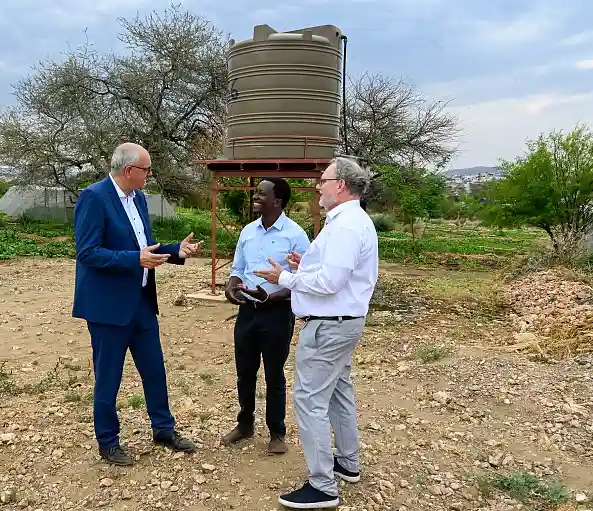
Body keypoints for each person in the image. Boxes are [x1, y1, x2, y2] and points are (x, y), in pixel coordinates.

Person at [253, 157, 378, 509]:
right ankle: (347, 464)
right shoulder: (351, 222)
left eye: (323, 180)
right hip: (343, 323)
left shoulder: (344, 226)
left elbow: (329, 282)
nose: (318, 187)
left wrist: (286, 279)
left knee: (310, 400)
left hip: (329, 327)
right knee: (339, 392)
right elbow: (336, 271)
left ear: (340, 185)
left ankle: (322, 486)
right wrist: (302, 264)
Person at [72, 142, 203, 466]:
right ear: (129, 170)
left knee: (154, 370)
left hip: (141, 302)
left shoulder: (139, 199)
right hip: (108, 308)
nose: (150, 174)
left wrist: (175, 251)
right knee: (109, 377)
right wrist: (135, 259)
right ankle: (108, 441)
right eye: (146, 169)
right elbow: (87, 253)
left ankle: (163, 429)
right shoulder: (94, 197)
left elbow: (143, 247)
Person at [222, 178, 310, 454]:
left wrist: (272, 297)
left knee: (274, 374)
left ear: (278, 202)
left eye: (262, 193)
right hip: (247, 312)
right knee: (244, 372)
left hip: (277, 313)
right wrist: (231, 286)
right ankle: (245, 423)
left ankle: (277, 433)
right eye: (256, 191)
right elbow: (238, 268)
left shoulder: (296, 236)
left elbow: (302, 279)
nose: (255, 196)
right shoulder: (248, 231)